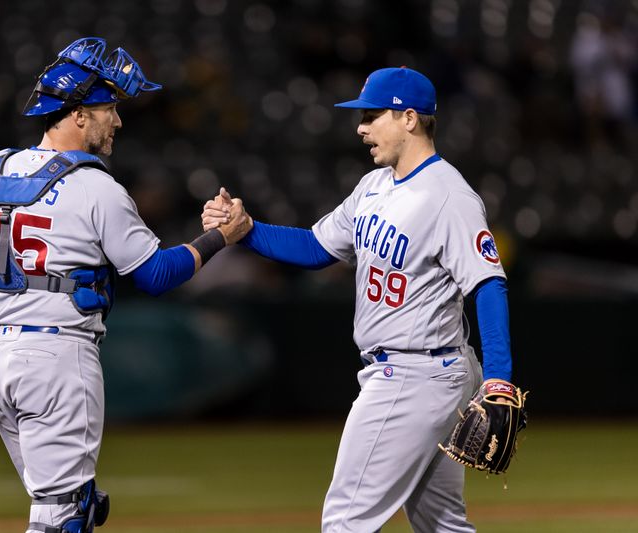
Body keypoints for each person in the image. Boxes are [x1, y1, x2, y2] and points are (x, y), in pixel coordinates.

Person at [0, 37, 251, 533]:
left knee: (73, 504)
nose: (118, 120)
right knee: (61, 517)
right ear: (79, 114)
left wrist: (6, 319)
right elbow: (155, 275)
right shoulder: (95, 186)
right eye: (109, 107)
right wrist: (220, 237)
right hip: (59, 360)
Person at [202, 67, 516, 532]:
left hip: (414, 375)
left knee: (346, 519)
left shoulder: (449, 196)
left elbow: (488, 283)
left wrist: (500, 381)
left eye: (372, 115)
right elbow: (315, 247)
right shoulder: (374, 187)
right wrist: (246, 230)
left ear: (409, 118)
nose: (361, 127)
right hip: (425, 372)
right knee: (442, 523)